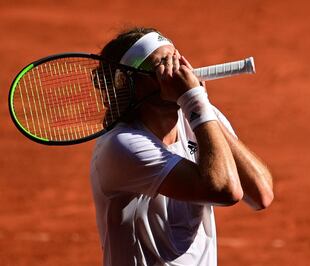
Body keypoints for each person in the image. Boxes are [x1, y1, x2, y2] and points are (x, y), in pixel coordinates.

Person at [90, 27, 274, 266]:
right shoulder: (121, 146)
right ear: (127, 83)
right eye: (162, 65)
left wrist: (201, 106)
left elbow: (261, 194)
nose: (178, 71)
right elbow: (226, 190)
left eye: (177, 58)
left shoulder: (198, 117)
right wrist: (195, 102)